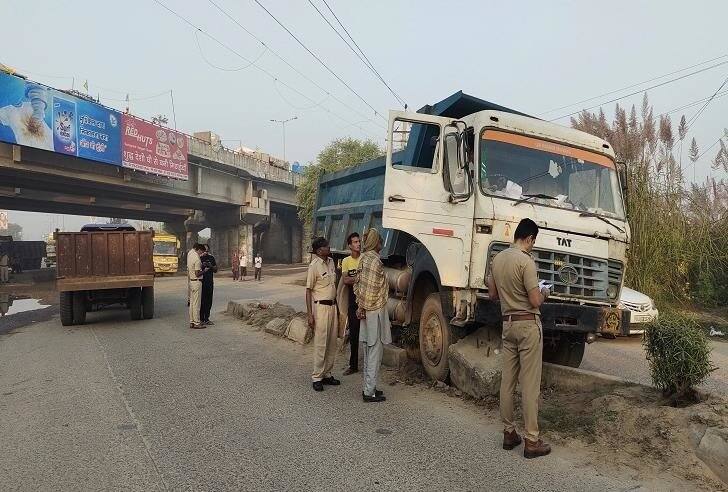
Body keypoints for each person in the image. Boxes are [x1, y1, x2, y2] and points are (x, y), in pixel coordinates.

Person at [487, 218, 552, 459]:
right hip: (528, 325)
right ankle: (532, 440)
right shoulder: (526, 262)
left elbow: (492, 294)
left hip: (508, 325)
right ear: (529, 238)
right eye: (533, 241)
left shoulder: (498, 259)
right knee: (530, 385)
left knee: (508, 382)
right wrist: (545, 291)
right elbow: (535, 300)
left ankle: (508, 432)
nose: (533, 245)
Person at [354, 229, 391, 403]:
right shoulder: (375, 261)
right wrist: (366, 306)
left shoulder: (362, 258)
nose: (381, 244)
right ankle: (369, 392)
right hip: (375, 310)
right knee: (375, 350)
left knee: (369, 350)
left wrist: (361, 307)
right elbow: (373, 290)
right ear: (375, 243)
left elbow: (359, 286)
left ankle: (368, 387)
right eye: (379, 242)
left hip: (365, 310)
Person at [306, 237, 340, 392]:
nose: (329, 247)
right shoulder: (314, 266)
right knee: (321, 343)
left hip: (333, 307)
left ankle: (327, 374)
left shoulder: (331, 262)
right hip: (320, 308)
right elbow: (308, 291)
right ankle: (317, 377)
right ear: (319, 250)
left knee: (332, 342)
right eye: (326, 246)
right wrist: (309, 315)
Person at [338, 232, 362, 375]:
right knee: (354, 334)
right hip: (353, 302)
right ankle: (353, 365)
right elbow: (346, 280)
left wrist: (354, 279)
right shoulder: (346, 261)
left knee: (368, 336)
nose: (358, 244)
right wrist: (360, 279)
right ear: (349, 245)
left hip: (365, 301)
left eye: (359, 241)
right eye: (355, 242)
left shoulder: (364, 259)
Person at [187, 243, 205, 329]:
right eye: (201, 252)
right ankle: (197, 323)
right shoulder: (197, 259)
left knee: (192, 304)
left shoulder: (190, 254)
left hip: (191, 281)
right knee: (196, 304)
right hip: (197, 281)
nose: (201, 254)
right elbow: (197, 273)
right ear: (199, 250)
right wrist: (204, 270)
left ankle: (192, 321)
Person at [199, 244, 218, 326]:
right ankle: (201, 319)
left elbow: (216, 270)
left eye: (207, 251)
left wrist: (211, 266)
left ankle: (207, 318)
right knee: (202, 301)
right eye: (204, 250)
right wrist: (202, 265)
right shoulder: (199, 258)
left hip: (210, 282)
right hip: (201, 282)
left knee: (209, 301)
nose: (205, 252)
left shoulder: (211, 258)